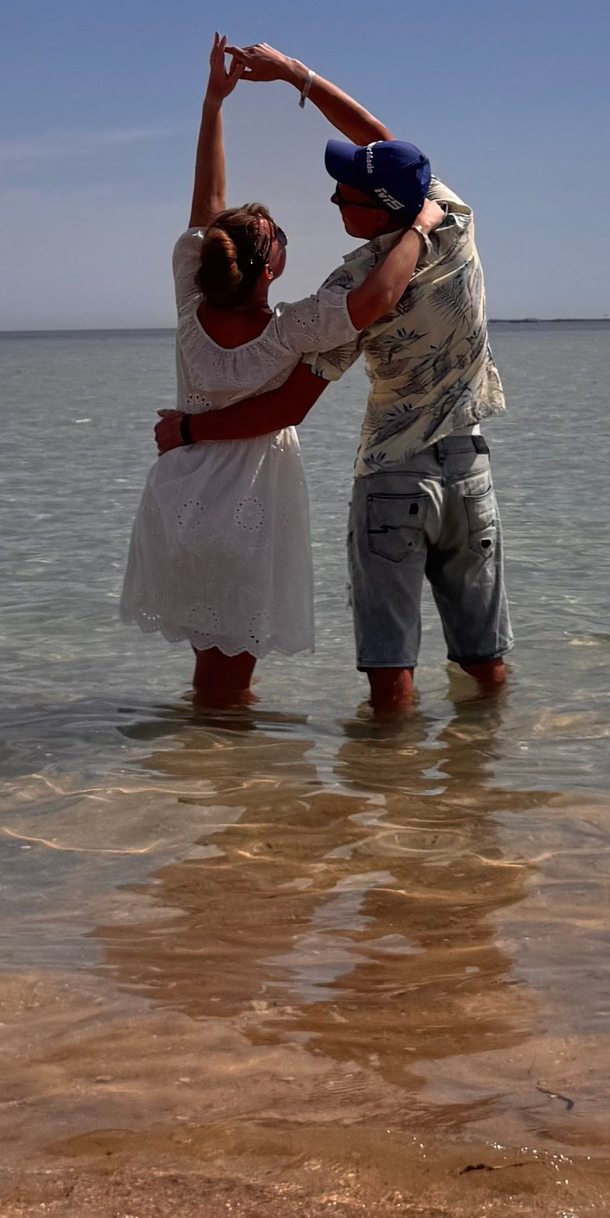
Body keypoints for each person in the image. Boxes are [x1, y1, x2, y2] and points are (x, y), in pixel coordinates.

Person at [154, 44, 507, 721]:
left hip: (358, 478)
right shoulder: (451, 220)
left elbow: (292, 396)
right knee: (486, 660)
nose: (330, 196)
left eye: (344, 192)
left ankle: (236, 785)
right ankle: (472, 788)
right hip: (464, 466)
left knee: (379, 676)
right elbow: (386, 150)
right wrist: (297, 75)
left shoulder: (203, 299)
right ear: (266, 271)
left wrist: (215, 104)